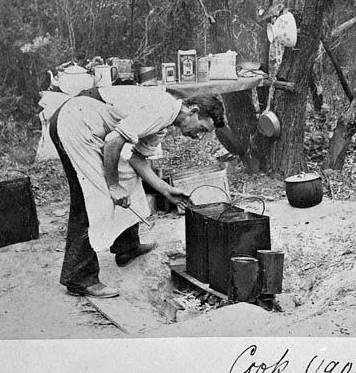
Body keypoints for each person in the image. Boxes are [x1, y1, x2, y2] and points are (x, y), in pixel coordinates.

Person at [49, 85, 225, 298]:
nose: (199, 137)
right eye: (202, 129)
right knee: (93, 196)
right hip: (75, 124)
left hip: (92, 129)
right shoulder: (162, 109)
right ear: (194, 111)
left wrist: (165, 189)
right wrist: (112, 186)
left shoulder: (164, 122)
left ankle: (127, 247)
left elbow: (135, 158)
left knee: (129, 178)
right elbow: (113, 142)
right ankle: (78, 277)